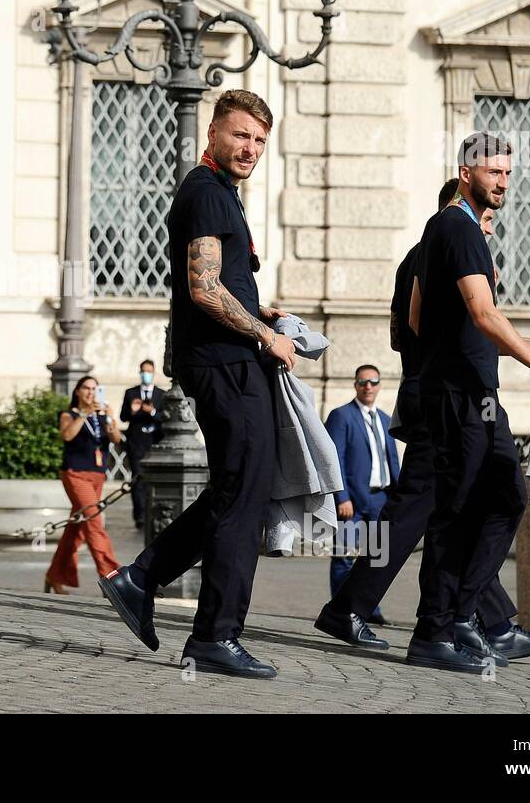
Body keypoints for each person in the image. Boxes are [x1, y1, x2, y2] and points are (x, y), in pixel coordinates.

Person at [315, 178, 530, 655]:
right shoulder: (451, 249)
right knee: (435, 509)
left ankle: (469, 618)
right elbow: (469, 331)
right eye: (486, 219)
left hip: (435, 395)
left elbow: (401, 333)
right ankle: (459, 621)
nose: (489, 231)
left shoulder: (417, 256)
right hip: (447, 402)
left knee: (430, 509)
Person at [98, 89, 297, 680]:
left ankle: (141, 578)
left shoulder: (219, 194)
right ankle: (214, 635)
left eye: (260, 140)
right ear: (212, 133)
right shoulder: (207, 192)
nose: (251, 148)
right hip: (223, 363)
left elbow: (222, 282)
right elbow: (205, 289)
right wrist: (264, 334)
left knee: (240, 489)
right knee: (242, 496)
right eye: (240, 135)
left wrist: (267, 316)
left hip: (228, 360)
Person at [404, 132, 530, 673]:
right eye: (493, 173)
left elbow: (420, 316)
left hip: (477, 393)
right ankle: (434, 631)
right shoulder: (455, 227)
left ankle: (465, 618)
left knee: (505, 497)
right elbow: (482, 315)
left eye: (507, 173)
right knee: (457, 511)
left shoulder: (459, 233)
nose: (503, 182)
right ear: (465, 172)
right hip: (458, 397)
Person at [324, 364, 399, 624]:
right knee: (344, 556)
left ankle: (369, 610)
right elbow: (334, 460)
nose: (368, 386)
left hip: (381, 501)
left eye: (373, 382)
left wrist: (398, 498)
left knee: (377, 559)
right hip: (352, 503)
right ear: (355, 385)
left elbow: (393, 461)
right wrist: (341, 497)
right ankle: (341, 612)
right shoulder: (341, 416)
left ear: (379, 386)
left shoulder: (387, 419)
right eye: (363, 382)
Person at [45, 376, 123, 594]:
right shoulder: (69, 415)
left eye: (94, 389)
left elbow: (116, 440)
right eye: (86, 388)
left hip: (97, 476)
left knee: (76, 530)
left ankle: (55, 575)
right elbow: (67, 435)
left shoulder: (101, 416)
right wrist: (85, 413)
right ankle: (112, 577)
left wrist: (110, 418)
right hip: (76, 474)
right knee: (94, 522)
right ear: (77, 391)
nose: (91, 393)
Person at [119, 359, 165, 530]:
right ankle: (140, 516)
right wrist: (133, 410)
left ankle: (154, 513)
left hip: (155, 441)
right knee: (138, 478)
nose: (146, 374)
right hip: (136, 442)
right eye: (143, 371)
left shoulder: (162, 394)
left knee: (155, 479)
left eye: (149, 371)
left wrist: (151, 411)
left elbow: (165, 417)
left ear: (154, 373)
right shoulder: (131, 393)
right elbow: (123, 417)